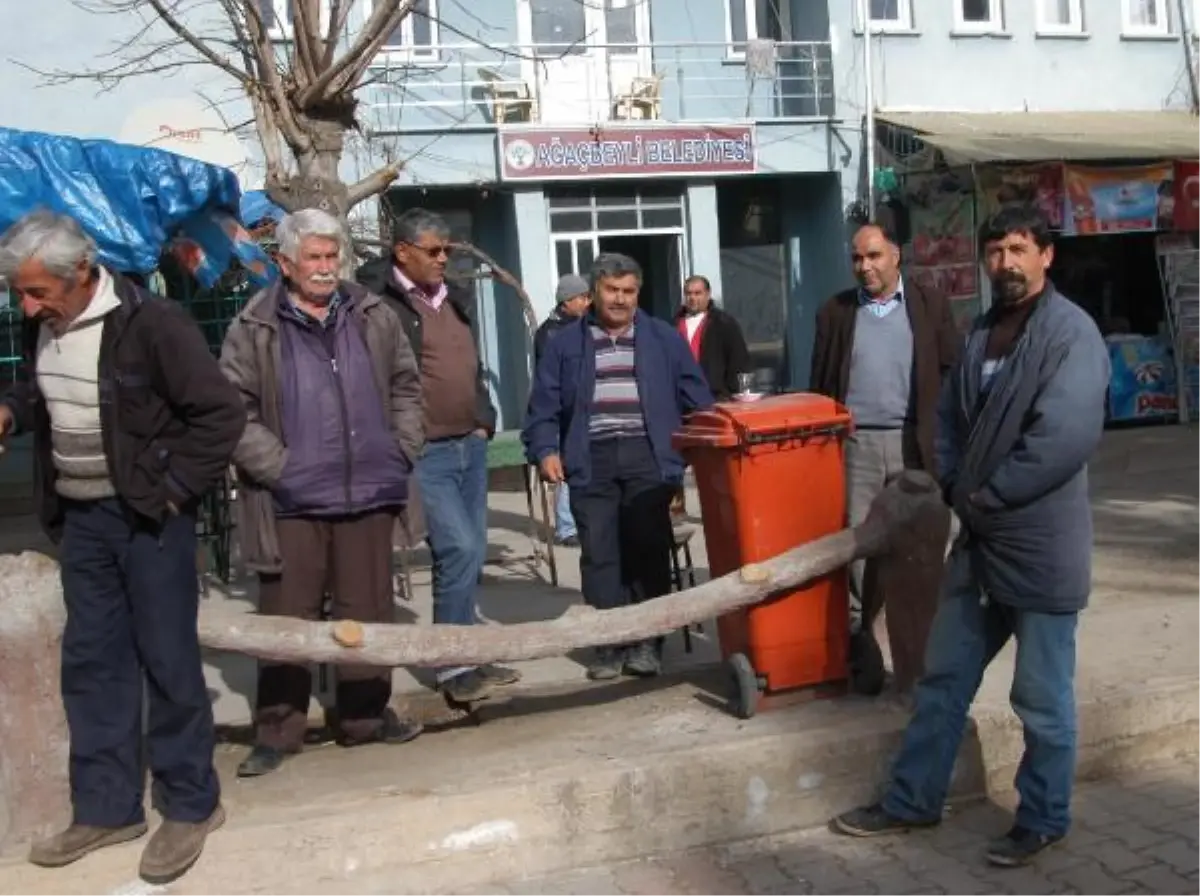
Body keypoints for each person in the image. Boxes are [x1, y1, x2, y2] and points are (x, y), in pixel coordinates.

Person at [831, 204, 1110, 868]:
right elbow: (950, 417)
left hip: (1040, 548)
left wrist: (983, 497)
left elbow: (1061, 440)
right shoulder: (985, 330)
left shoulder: (1072, 335)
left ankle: (1042, 817)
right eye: (995, 251)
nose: (1005, 263)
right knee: (942, 678)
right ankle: (912, 800)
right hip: (980, 545)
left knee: (1040, 699)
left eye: (1018, 249)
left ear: (1046, 255)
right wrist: (954, 483)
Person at [0, 210, 244, 884]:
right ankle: (107, 807)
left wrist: (170, 492)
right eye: (19, 293)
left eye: (36, 291)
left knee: (168, 661)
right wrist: (12, 409)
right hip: (81, 523)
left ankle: (192, 804)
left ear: (80, 274)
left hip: (148, 521)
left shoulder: (152, 325)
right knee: (92, 664)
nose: (26, 305)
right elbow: (42, 390)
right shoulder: (42, 323)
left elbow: (220, 415)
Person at [220, 209, 426, 778]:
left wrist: (401, 448)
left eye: (331, 256)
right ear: (284, 264)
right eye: (312, 257)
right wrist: (282, 469)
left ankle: (363, 719)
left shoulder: (372, 314)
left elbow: (408, 386)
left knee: (368, 611)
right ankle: (278, 732)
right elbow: (232, 413)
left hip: (369, 491)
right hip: (290, 499)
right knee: (288, 620)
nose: (324, 267)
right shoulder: (255, 325)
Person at [522, 253, 714, 681]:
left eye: (629, 292)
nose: (620, 300)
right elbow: (543, 406)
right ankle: (609, 644)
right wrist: (546, 449)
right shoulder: (565, 343)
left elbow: (696, 398)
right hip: (591, 458)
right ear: (594, 293)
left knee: (646, 549)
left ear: (638, 294)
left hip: (649, 456)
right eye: (612, 290)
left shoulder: (663, 338)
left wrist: (699, 448)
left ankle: (647, 641)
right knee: (601, 554)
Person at [357, 208, 519, 705]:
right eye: (433, 250)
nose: (443, 258)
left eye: (447, 250)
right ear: (402, 252)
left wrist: (484, 417)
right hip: (426, 453)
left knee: (470, 555)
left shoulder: (455, 300)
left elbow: (473, 365)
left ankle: (466, 648)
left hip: (469, 444)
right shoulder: (379, 305)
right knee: (458, 549)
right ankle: (450, 665)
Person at [809, 222, 960, 696]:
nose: (865, 267)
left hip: (915, 443)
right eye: (857, 258)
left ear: (896, 255)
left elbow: (951, 371)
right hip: (857, 447)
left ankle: (919, 656)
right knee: (859, 547)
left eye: (873, 256)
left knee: (921, 547)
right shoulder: (835, 311)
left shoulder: (929, 304)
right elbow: (820, 381)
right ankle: (864, 647)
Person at [534, 273, 591, 547]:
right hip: (561, 411)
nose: (586, 302)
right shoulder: (551, 333)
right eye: (582, 297)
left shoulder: (584, 327)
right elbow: (551, 379)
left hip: (583, 409)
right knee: (563, 469)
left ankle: (582, 521)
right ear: (567, 301)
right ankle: (567, 527)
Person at [674, 274, 752, 399]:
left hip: (715, 396)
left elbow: (739, 360)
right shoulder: (674, 325)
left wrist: (733, 393)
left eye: (697, 293)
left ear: (708, 294)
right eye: (688, 293)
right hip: (682, 396)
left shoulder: (723, 323)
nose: (692, 298)